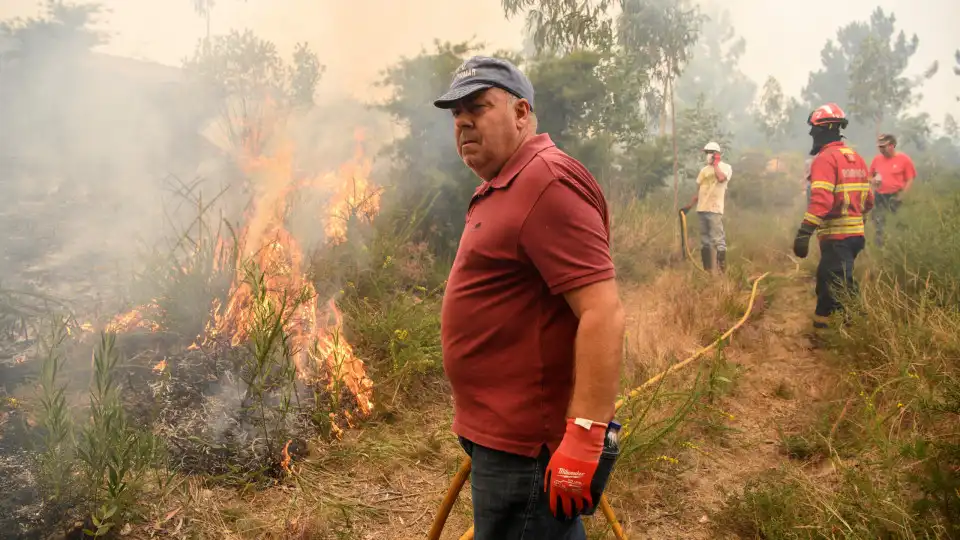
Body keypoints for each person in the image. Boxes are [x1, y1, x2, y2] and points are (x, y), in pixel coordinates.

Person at [433, 56, 626, 539]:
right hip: (501, 437)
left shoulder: (546, 182)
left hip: (525, 448)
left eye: (478, 106)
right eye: (456, 113)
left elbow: (602, 312)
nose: (463, 121)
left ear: (521, 112)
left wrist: (583, 438)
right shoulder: (508, 183)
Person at [792, 103, 874, 330]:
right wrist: (859, 222)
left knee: (832, 286)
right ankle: (854, 328)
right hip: (855, 236)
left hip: (837, 237)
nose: (811, 134)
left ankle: (828, 336)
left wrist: (804, 232)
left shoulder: (825, 159)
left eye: (814, 129)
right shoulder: (856, 158)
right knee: (839, 281)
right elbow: (868, 200)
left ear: (827, 128)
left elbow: (822, 200)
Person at [681, 141, 734, 273]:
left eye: (710, 152)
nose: (707, 155)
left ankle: (721, 273)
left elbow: (721, 178)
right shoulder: (703, 171)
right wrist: (688, 207)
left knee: (718, 240)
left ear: (716, 154)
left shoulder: (725, 168)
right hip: (702, 209)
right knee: (705, 241)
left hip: (715, 209)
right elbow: (699, 191)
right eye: (706, 153)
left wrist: (716, 164)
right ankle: (708, 271)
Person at [868, 133, 916, 244]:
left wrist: (902, 196)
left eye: (884, 146)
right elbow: (869, 176)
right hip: (880, 196)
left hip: (896, 196)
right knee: (879, 222)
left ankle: (898, 245)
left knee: (897, 222)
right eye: (880, 147)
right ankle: (880, 246)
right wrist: (873, 180)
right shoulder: (877, 160)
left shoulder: (904, 159)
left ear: (892, 145)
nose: (882, 149)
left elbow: (910, 179)